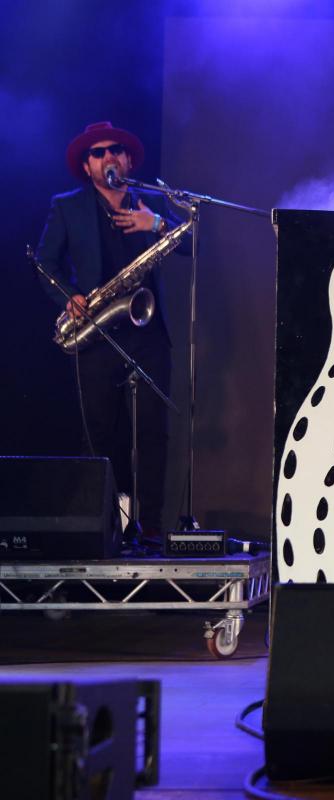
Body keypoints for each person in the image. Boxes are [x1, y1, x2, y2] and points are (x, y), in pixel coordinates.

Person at [36, 121, 186, 544]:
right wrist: (69, 297)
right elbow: (45, 264)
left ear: (129, 160)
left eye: (116, 150)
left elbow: (193, 243)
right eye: (98, 152)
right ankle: (107, 533)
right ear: (87, 166)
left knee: (154, 434)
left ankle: (153, 529)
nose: (109, 157)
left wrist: (155, 224)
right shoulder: (68, 207)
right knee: (101, 438)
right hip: (96, 333)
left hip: (148, 331)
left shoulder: (146, 204)